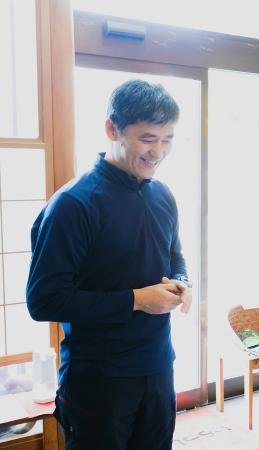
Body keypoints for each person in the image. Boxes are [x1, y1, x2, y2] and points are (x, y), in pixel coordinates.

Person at [26, 79, 192, 450]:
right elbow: (44, 301)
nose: (158, 152)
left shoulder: (162, 194)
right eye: (148, 138)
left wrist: (183, 282)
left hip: (158, 367)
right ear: (112, 129)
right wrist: (137, 299)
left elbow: (175, 256)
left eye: (167, 139)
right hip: (99, 380)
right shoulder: (73, 204)